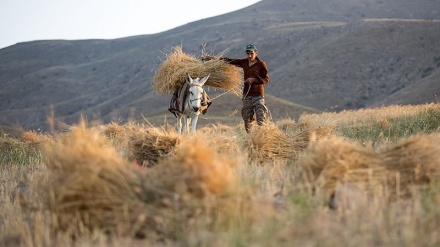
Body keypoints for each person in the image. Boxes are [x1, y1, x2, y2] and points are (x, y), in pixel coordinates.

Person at [205, 44, 269, 132]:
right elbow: (230, 61)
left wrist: (253, 79)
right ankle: (250, 137)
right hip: (247, 95)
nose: (249, 56)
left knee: (261, 117)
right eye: (247, 53)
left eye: (251, 53)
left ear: (256, 53)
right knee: (247, 118)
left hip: (258, 95)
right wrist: (214, 59)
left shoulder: (261, 64)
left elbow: (266, 79)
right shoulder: (244, 62)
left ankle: (263, 137)